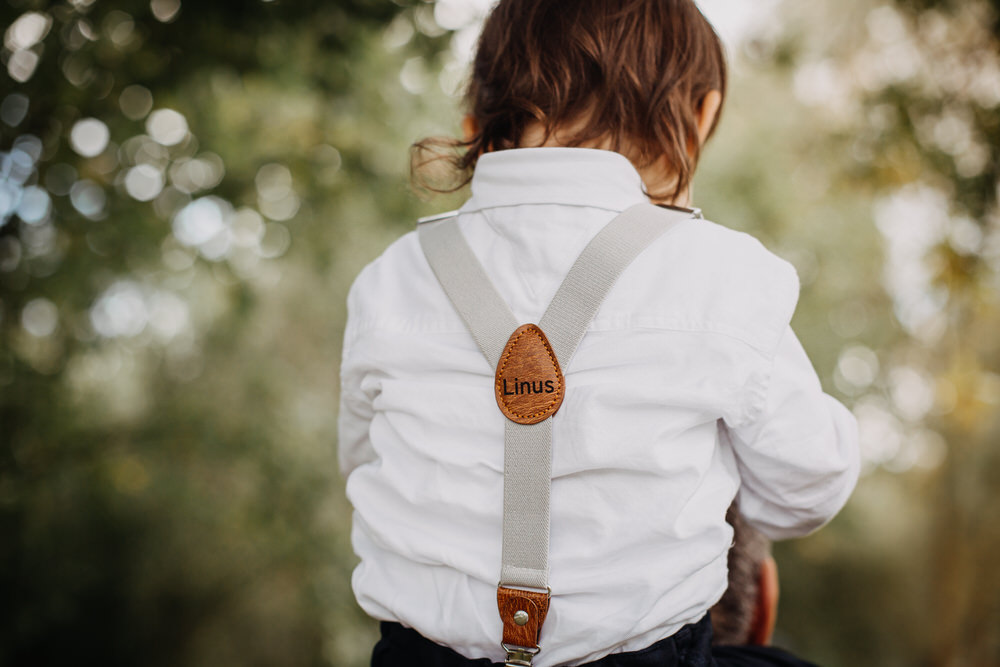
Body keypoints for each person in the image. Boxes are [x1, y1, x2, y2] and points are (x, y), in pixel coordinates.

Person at [338, 1, 860, 665]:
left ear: (482, 122)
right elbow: (804, 492)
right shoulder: (720, 272)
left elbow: (363, 461)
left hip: (418, 656)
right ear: (699, 117)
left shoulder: (390, 279)